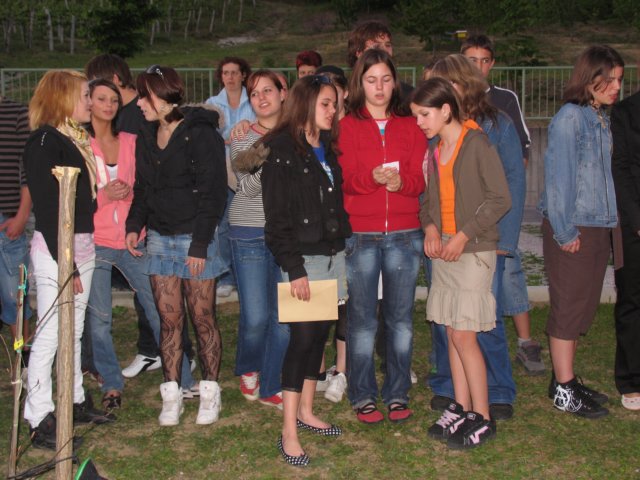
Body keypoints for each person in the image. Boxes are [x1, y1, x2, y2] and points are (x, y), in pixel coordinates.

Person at [412, 77, 511, 449]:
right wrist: (431, 228)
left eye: (424, 115)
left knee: (465, 335)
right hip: (446, 252)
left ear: (445, 110)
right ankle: (462, 406)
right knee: (452, 332)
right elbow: (427, 201)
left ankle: (482, 417)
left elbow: (500, 199)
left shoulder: (477, 144)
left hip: (472, 251)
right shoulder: (435, 149)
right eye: (416, 115)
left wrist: (463, 235)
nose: (419, 122)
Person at [125, 65, 227, 426]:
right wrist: (134, 225)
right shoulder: (146, 134)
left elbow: (214, 193)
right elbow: (143, 188)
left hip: (194, 238)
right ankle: (172, 395)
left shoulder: (200, 133)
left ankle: (210, 392)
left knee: (203, 319)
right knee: (169, 322)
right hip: (159, 239)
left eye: (144, 96)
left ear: (162, 95)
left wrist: (200, 244)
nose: (139, 103)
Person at [85, 78, 194, 410]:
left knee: (161, 309)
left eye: (114, 100)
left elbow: (147, 184)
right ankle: (111, 383)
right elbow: (72, 198)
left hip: (134, 238)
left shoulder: (132, 141)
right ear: (88, 102)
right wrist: (103, 195)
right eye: (101, 99)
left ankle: (183, 378)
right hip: (95, 241)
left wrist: (131, 195)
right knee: (100, 318)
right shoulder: (80, 146)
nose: (108, 105)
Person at [426, 54, 524, 421]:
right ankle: (453, 391)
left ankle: (496, 391)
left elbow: (511, 185)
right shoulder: (436, 128)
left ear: (460, 86)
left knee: (485, 320)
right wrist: (432, 227)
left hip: (482, 243)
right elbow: (430, 186)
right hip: (446, 242)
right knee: (448, 320)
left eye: (442, 83)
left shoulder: (495, 126)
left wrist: (504, 243)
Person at [261, 74, 351, 466]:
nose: (334, 110)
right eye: (326, 104)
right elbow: (276, 219)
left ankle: (307, 411)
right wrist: (294, 268)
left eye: (335, 103)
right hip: (303, 261)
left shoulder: (326, 145)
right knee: (301, 341)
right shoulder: (281, 149)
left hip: (332, 255)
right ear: (307, 104)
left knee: (318, 338)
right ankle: (288, 432)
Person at [23, 70, 115, 450]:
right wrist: (67, 264)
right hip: (57, 250)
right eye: (84, 95)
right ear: (62, 98)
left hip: (82, 245)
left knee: (73, 330)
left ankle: (74, 400)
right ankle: (38, 416)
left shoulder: (74, 138)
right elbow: (49, 210)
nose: (90, 102)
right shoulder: (44, 141)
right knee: (50, 333)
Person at [339, 49, 426, 424]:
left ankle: (397, 392)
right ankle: (362, 394)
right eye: (371, 80)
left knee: (400, 320)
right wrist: (369, 179)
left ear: (395, 82)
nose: (379, 87)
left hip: (404, 234)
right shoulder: (346, 126)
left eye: (386, 79)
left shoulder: (411, 125)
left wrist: (402, 182)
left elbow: (421, 180)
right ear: (360, 82)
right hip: (361, 234)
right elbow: (343, 181)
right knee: (362, 320)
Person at [538, 45, 624, 418]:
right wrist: (565, 231)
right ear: (590, 79)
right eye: (610, 80)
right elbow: (559, 180)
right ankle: (564, 389)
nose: (617, 87)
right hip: (574, 227)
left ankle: (566, 380)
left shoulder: (599, 118)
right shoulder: (570, 118)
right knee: (569, 307)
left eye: (620, 80)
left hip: (597, 224)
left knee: (582, 307)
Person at [460, 34, 544, 376]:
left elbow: (520, 155)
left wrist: (499, 193)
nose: (478, 67)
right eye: (471, 60)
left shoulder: (504, 100)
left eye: (484, 60)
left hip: (499, 210)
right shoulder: (452, 98)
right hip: (466, 216)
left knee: (509, 270)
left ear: (491, 64)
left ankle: (525, 342)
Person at [228, 70, 289, 410]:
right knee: (255, 316)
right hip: (249, 233)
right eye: (254, 93)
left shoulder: (298, 133)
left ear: (283, 93)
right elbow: (248, 187)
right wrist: (274, 148)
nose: (262, 98)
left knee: (283, 317)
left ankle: (272, 382)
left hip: (286, 235)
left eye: (268, 90)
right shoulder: (242, 137)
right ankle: (249, 366)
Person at [313, 65, 350, 403]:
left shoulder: (348, 130)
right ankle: (318, 370)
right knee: (319, 309)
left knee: (344, 306)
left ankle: (341, 370)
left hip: (347, 231)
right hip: (318, 237)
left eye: (334, 96)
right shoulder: (310, 138)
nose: (330, 106)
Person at [205, 56, 255, 299]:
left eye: (235, 72)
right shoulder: (212, 104)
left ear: (243, 75)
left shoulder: (254, 101)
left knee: (246, 223)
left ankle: (245, 274)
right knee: (223, 225)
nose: (230, 77)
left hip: (249, 172)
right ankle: (226, 276)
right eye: (226, 73)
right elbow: (207, 137)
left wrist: (234, 138)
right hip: (221, 172)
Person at [611, 87, 640, 411]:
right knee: (633, 300)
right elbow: (620, 167)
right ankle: (632, 379)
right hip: (635, 224)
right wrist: (637, 220)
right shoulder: (625, 112)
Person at [0, 94, 32, 360]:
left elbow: (28, 168)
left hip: (8, 218)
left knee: (15, 294)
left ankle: (23, 356)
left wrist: (21, 215)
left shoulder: (18, 114)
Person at [346, 21, 413, 99]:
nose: (384, 50)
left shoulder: (408, 95)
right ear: (359, 53)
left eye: (387, 45)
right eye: (376, 46)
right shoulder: (344, 95)